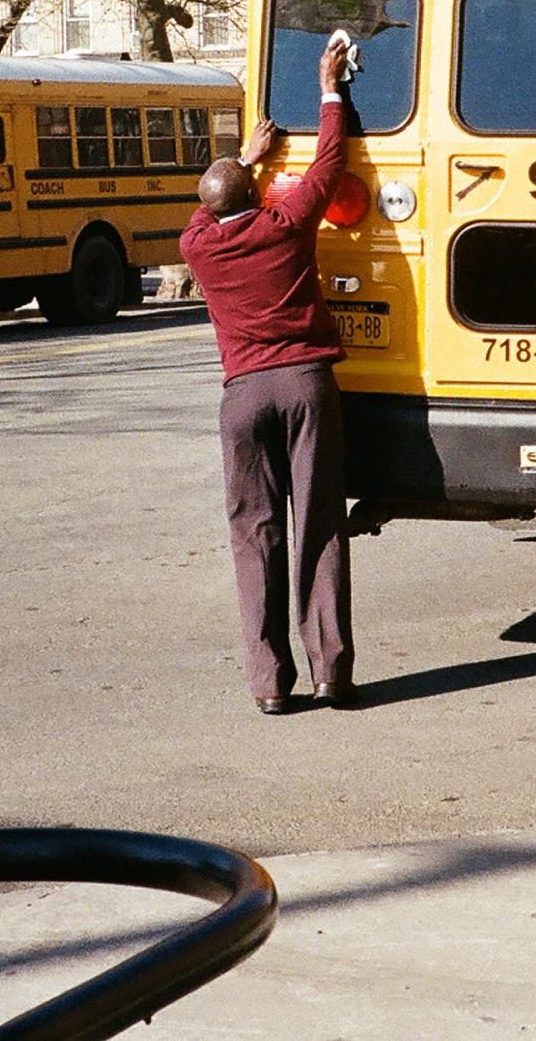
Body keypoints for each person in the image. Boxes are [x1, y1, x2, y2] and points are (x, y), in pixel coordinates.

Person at [180, 37, 356, 715]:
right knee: (319, 527)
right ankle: (331, 673)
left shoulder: (197, 245)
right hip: (308, 387)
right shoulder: (286, 227)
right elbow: (329, 162)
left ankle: (269, 684)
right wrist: (329, 90)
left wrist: (244, 160)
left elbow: (208, 204)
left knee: (255, 536)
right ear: (257, 194)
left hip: (243, 399)